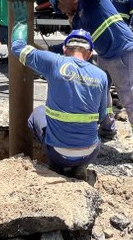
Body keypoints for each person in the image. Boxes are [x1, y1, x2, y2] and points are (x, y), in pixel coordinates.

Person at [38, 0, 133, 162]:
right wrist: (47, 50)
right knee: (102, 91)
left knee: (128, 97)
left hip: (123, 50)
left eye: (58, 6)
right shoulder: (77, 19)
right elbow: (75, 43)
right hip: (106, 54)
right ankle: (108, 128)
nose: (60, 11)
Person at [11, 23, 108, 178]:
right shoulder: (101, 75)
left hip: (57, 153)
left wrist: (20, 27)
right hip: (90, 152)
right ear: (89, 54)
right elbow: (103, 116)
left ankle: (56, 166)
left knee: (38, 112)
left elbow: (17, 48)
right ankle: (79, 167)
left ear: (64, 49)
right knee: (92, 137)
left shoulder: (55, 62)